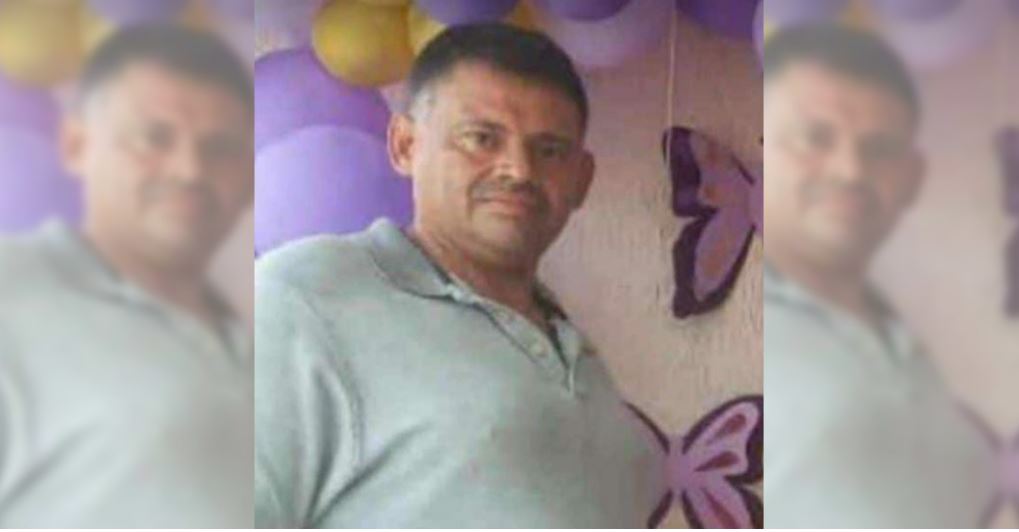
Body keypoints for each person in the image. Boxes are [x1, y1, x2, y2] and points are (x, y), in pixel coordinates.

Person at [255, 23, 661, 528]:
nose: (518, 170)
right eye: (481, 139)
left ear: (582, 180)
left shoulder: (575, 351)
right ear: (405, 145)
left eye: (550, 150)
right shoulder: (305, 297)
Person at [0, 24, 254, 527]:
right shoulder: (12, 292)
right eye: (153, 138)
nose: (189, 170)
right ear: (76, 144)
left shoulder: (256, 338)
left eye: (219, 147)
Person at [762, 24, 995, 527]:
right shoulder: (742, 327)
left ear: (912, 177)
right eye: (814, 138)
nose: (850, 170)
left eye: (880, 148)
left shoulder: (905, 342)